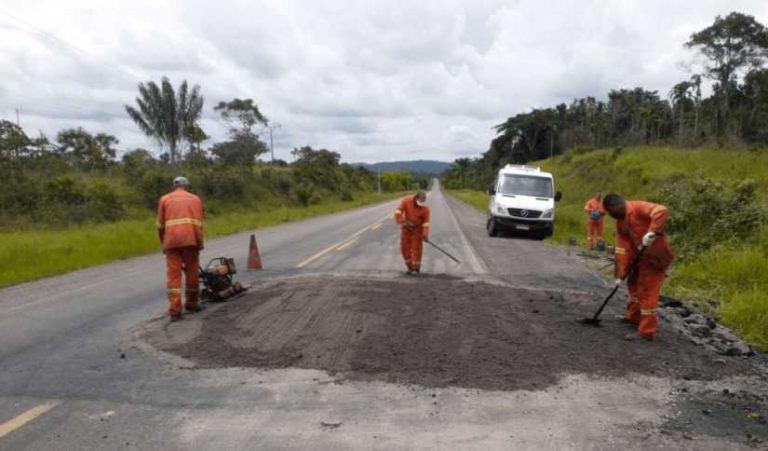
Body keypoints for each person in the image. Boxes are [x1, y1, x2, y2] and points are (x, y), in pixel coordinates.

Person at [603, 194, 675, 341]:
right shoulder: (621, 222)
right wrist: (620, 275)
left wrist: (652, 231)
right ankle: (633, 318)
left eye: (611, 213)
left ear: (616, 206)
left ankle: (647, 332)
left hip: (655, 258)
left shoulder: (638, 207)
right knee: (633, 284)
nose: (611, 216)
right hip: (639, 257)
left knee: (647, 290)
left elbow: (661, 210)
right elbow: (622, 249)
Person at [156, 176, 205, 321]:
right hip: (190, 240)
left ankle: (175, 310)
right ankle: (191, 304)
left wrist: (163, 243)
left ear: (173, 187)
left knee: (173, 275)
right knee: (192, 272)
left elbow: (159, 226)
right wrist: (200, 242)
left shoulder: (164, 199)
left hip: (171, 241)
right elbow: (199, 224)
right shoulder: (195, 199)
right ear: (187, 187)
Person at [394, 190, 430, 275]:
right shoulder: (406, 201)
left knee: (416, 249)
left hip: (417, 231)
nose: (420, 206)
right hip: (406, 230)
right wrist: (404, 221)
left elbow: (426, 223)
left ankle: (416, 269)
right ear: (416, 198)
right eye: (419, 202)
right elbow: (398, 212)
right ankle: (410, 267)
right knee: (404, 249)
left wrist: (425, 235)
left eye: (422, 203)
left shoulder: (425, 209)